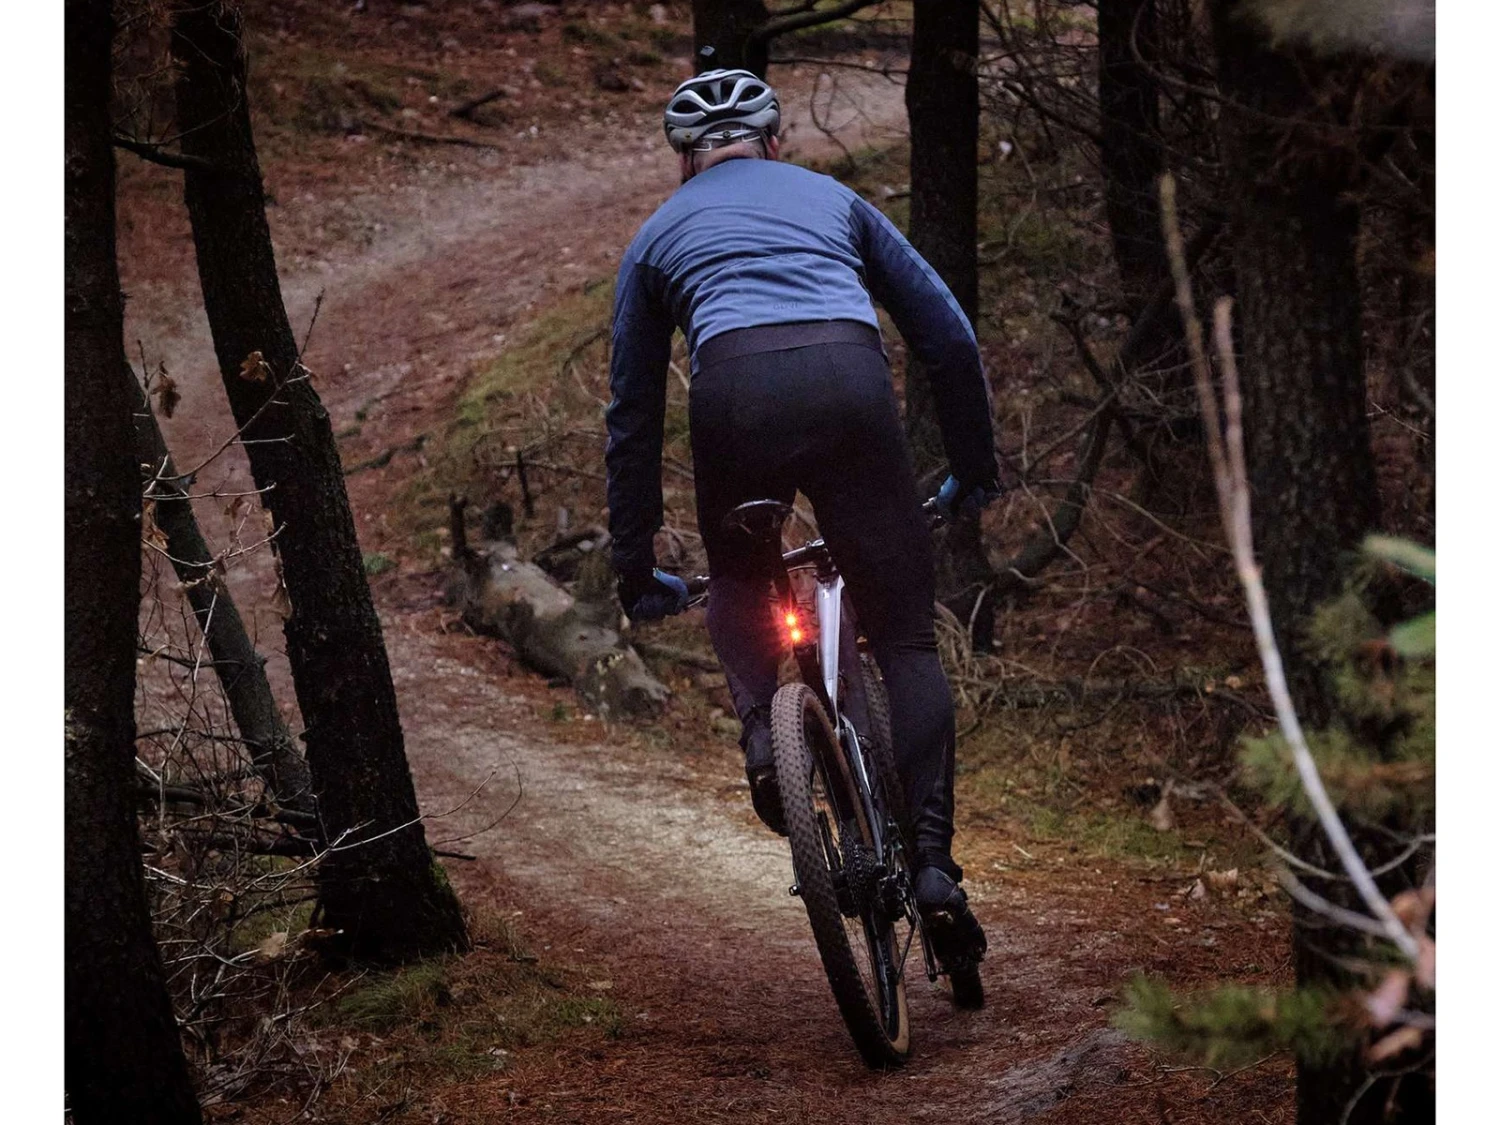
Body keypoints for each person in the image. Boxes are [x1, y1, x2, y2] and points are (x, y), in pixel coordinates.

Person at [604, 62, 997, 971]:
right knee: (905, 640)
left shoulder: (656, 236)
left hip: (732, 398)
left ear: (684, 163)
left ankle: (762, 738)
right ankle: (933, 867)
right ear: (776, 143)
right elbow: (948, 336)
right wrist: (974, 469)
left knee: (741, 581)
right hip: (848, 381)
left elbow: (631, 413)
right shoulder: (835, 201)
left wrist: (633, 564)